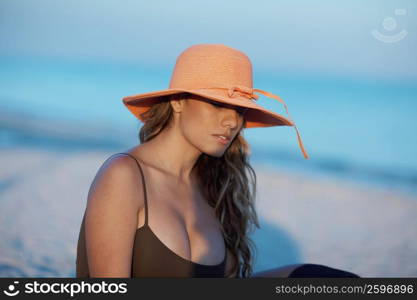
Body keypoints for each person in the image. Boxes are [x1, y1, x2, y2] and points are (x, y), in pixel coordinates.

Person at [75, 44, 359, 278]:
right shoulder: (124, 175)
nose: (232, 121)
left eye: (239, 110)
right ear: (177, 101)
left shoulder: (216, 185)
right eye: (218, 104)